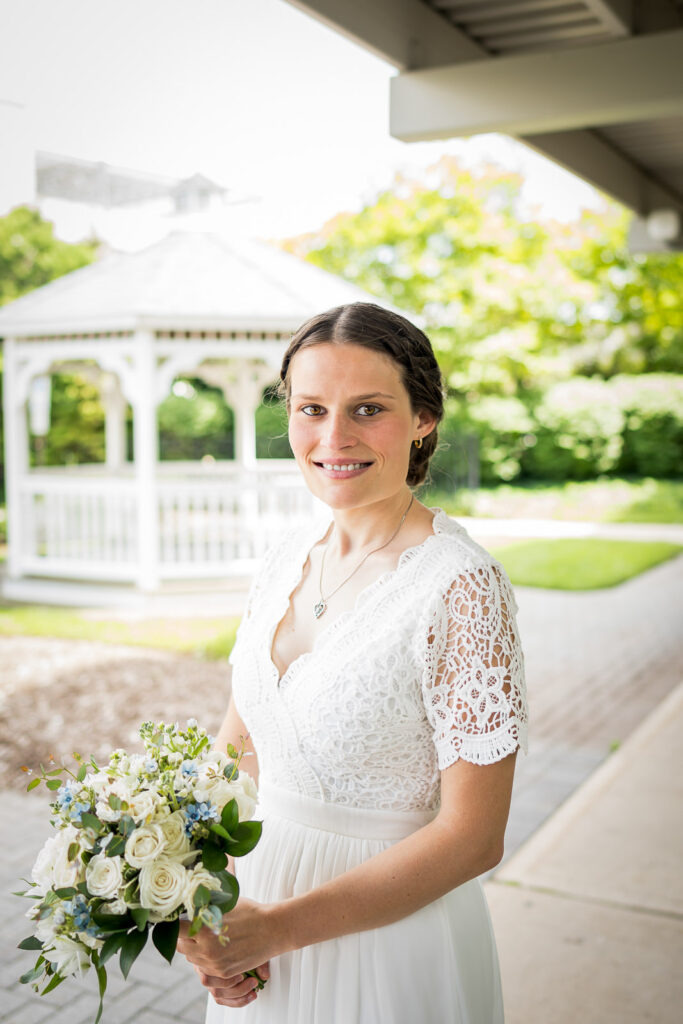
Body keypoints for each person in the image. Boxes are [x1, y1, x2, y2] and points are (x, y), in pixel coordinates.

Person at [178, 302, 528, 1023]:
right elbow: (239, 746)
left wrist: (278, 926)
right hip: (258, 926)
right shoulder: (283, 560)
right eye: (311, 409)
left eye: (367, 409)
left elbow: (473, 837)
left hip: (389, 941)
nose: (332, 438)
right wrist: (203, 899)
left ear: (423, 418)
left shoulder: (459, 586)